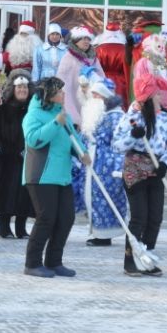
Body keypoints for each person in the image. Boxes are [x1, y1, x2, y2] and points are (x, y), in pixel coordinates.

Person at [112, 71, 167, 277]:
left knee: (155, 217)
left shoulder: (164, 119)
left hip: (156, 169)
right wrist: (133, 136)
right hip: (135, 169)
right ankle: (130, 259)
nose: (161, 98)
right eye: (157, 95)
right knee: (139, 217)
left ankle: (147, 256)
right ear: (148, 98)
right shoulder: (132, 117)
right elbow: (116, 144)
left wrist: (166, 163)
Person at [21, 76, 88, 278]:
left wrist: (82, 153)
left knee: (66, 218)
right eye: (59, 91)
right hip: (41, 175)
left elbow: (73, 139)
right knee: (46, 218)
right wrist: (55, 124)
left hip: (61, 175)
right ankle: (32, 263)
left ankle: (54, 261)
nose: (63, 94)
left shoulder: (63, 115)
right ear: (48, 95)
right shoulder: (33, 115)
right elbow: (34, 140)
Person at [72, 79, 127, 247]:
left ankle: (103, 235)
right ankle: (97, 232)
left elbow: (120, 143)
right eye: (92, 94)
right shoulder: (93, 115)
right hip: (90, 162)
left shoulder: (117, 116)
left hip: (104, 165)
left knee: (102, 198)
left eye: (96, 94)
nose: (93, 97)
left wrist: (114, 165)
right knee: (92, 198)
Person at [0, 69, 35, 239]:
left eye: (25, 88)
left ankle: (21, 228)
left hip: (26, 158)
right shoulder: (2, 110)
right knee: (5, 194)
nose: (22, 91)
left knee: (24, 195)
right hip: (6, 159)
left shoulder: (32, 110)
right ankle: (4, 228)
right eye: (19, 88)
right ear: (13, 89)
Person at [56, 25, 104, 127]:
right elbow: (63, 86)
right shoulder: (68, 58)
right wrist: (71, 113)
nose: (86, 41)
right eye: (83, 39)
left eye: (88, 39)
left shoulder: (93, 58)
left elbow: (102, 79)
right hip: (75, 102)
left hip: (92, 103)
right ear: (76, 40)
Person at [94, 22, 128, 108]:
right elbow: (127, 69)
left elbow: (96, 67)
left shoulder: (98, 49)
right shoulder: (125, 49)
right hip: (121, 82)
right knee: (120, 105)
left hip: (103, 80)